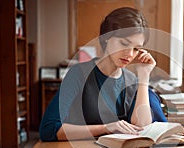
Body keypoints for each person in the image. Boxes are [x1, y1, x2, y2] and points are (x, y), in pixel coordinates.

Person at [39, 7, 167, 141]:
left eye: (136, 49)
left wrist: (144, 76)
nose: (129, 54)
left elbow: (142, 128)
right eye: (124, 43)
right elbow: (48, 129)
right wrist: (105, 128)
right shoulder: (78, 74)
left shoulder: (131, 80)